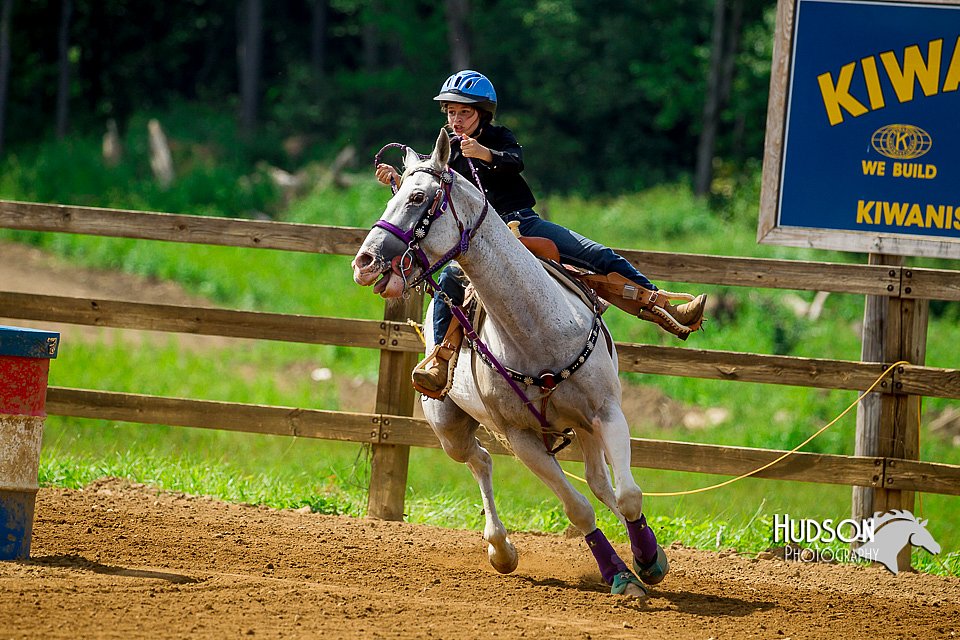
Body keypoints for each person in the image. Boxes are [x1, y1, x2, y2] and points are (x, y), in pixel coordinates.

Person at [376, 70, 706, 396]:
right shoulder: (445, 153)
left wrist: (485, 154)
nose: (456, 119)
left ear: (482, 114)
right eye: (451, 112)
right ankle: (440, 359)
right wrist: (396, 180)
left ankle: (665, 307)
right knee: (449, 279)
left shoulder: (499, 138)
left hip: (522, 223)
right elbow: (422, 188)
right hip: (479, 241)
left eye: (464, 112)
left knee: (596, 255)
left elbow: (514, 161)